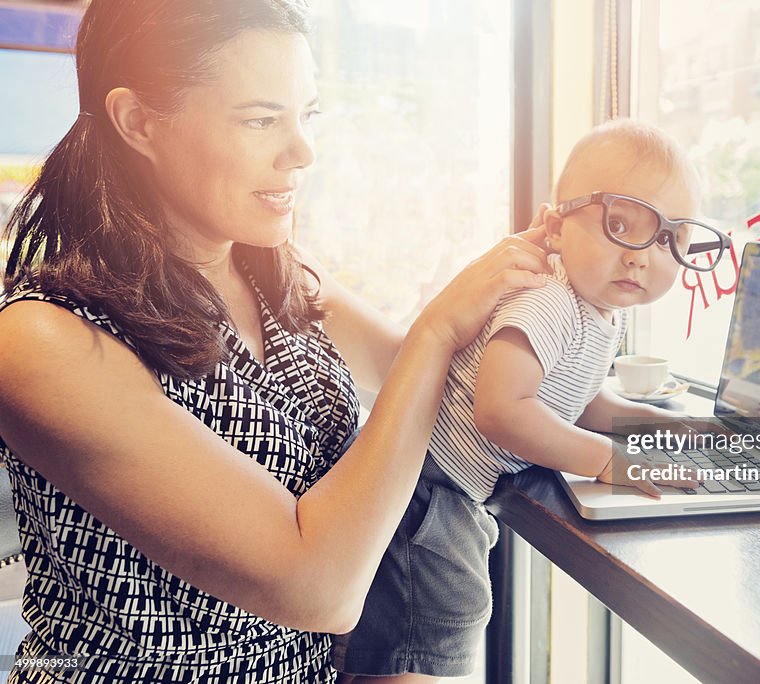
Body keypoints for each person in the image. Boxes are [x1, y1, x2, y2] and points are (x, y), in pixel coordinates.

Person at [0, 1, 550, 682]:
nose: (303, 151)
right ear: (138, 122)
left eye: (307, 115)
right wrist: (438, 328)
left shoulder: (278, 273)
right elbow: (318, 587)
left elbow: (451, 386)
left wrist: (568, 309)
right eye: (261, 120)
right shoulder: (41, 340)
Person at [341, 119, 732, 680]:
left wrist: (653, 425)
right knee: (428, 633)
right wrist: (606, 460)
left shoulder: (596, 310)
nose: (641, 256)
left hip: (434, 486)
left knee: (417, 632)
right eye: (620, 224)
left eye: (671, 239)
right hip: (426, 488)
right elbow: (501, 408)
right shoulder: (550, 300)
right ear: (554, 226)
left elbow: (573, 397)